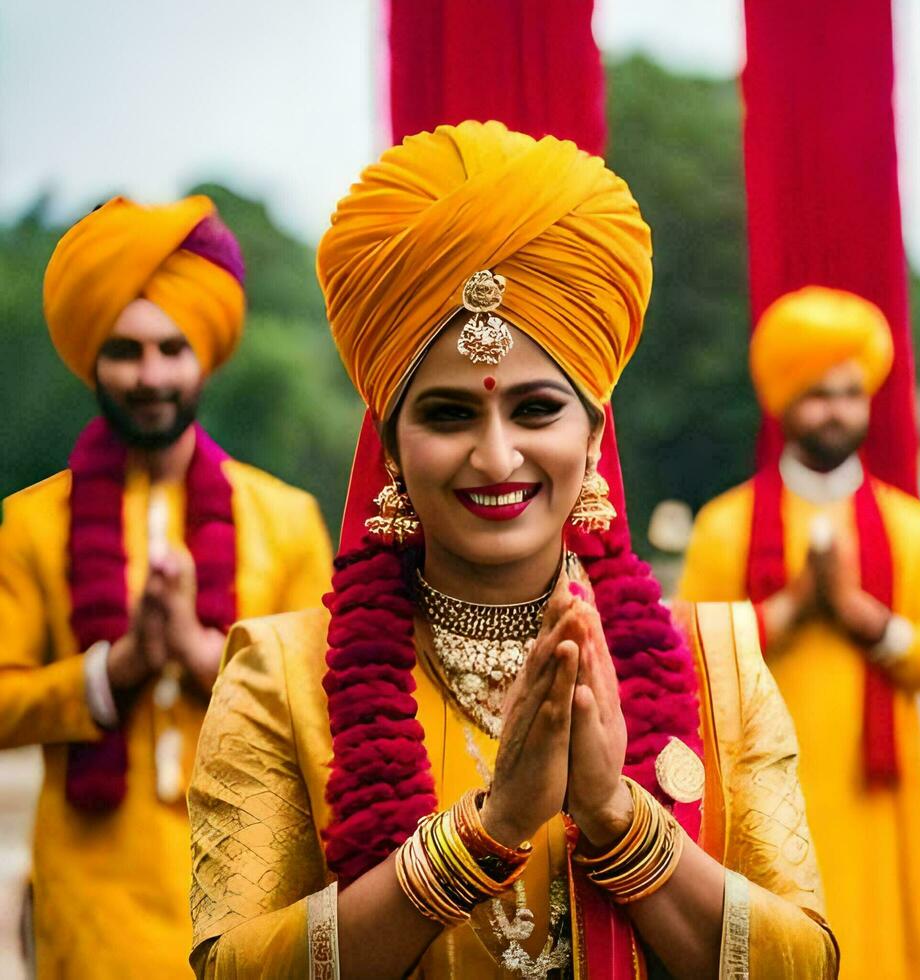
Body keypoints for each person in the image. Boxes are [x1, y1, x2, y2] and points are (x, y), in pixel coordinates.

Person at [187, 120, 838, 979]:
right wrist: (486, 832)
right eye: (450, 414)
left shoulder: (719, 661)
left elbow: (806, 965)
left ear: (594, 431)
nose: (496, 458)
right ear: (389, 444)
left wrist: (613, 812)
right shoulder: (276, 677)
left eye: (536, 410)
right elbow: (231, 971)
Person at [0, 196, 333, 978]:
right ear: (93, 359)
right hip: (89, 898)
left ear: (205, 356)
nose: (149, 375)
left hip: (252, 879)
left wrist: (192, 650)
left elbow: (327, 701)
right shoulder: (29, 525)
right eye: (124, 350)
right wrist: (113, 671)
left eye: (170, 348)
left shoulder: (285, 519)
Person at [678, 286, 920, 980]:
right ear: (781, 402)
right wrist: (798, 604)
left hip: (875, 793)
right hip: (759, 796)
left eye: (848, 392)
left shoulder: (912, 528)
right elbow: (685, 663)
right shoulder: (727, 525)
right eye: (816, 393)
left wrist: (867, 619)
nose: (835, 410)